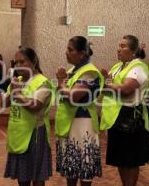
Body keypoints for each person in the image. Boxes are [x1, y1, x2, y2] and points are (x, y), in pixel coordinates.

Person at [100, 35, 149, 186]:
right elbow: (109, 84)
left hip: (131, 117)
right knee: (121, 159)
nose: (119, 49)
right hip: (117, 117)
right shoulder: (118, 67)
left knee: (131, 160)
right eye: (119, 45)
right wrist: (108, 82)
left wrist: (109, 85)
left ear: (134, 50)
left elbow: (126, 89)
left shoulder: (138, 67)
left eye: (123, 46)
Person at [55, 36, 104, 186]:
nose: (66, 53)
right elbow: (61, 91)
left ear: (82, 53)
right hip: (70, 121)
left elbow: (73, 96)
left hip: (83, 123)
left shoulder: (89, 71)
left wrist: (61, 82)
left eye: (70, 50)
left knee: (83, 167)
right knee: (71, 166)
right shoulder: (73, 70)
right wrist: (61, 84)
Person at [3, 48, 53, 186]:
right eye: (15, 62)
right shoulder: (17, 80)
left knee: (37, 175)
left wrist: (17, 93)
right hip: (17, 134)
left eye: (22, 62)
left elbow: (35, 105)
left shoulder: (43, 82)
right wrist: (12, 90)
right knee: (22, 174)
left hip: (35, 133)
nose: (18, 66)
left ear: (34, 61)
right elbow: (3, 103)